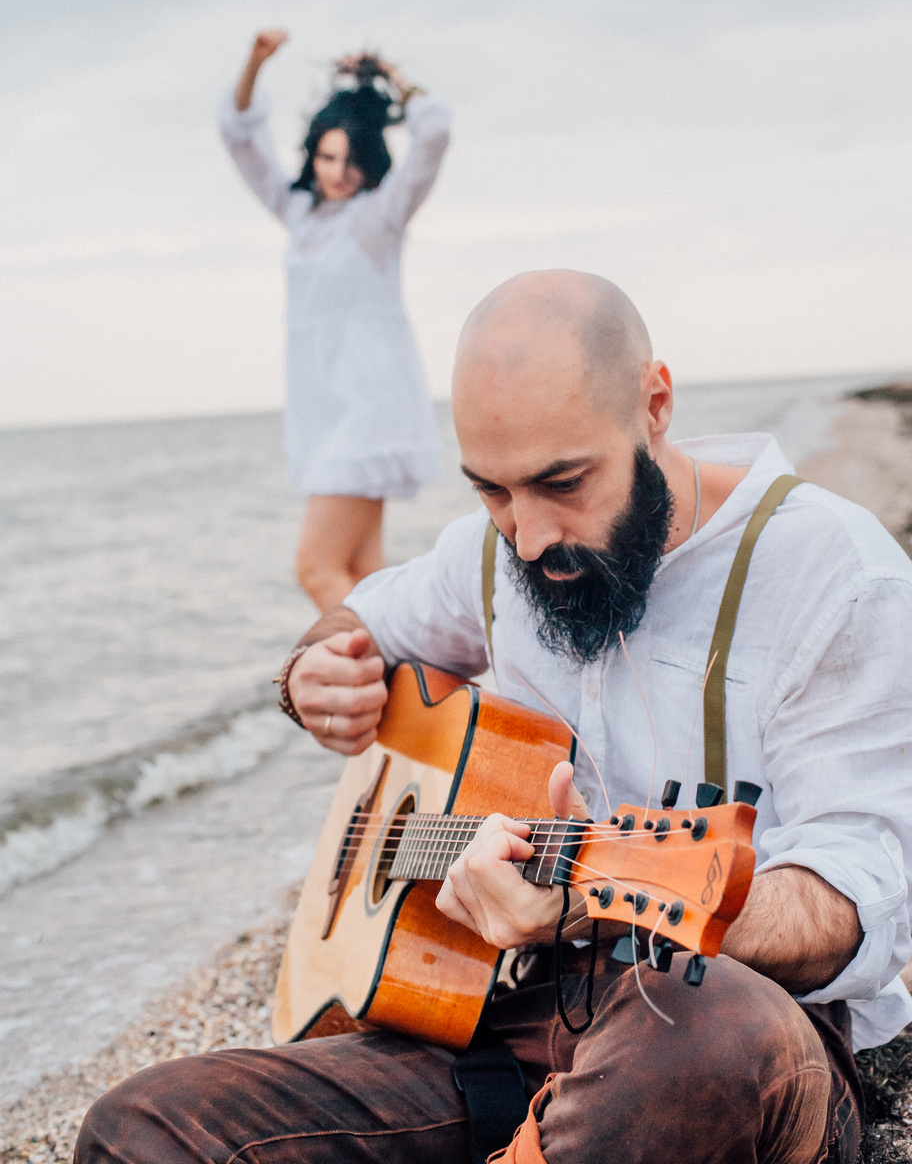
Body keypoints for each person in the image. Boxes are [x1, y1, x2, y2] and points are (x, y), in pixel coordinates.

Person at [75, 271, 912, 1163]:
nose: (529, 536)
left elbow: (853, 900)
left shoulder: (831, 573)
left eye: (563, 482)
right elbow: (358, 619)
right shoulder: (495, 551)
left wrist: (599, 896)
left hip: (718, 1036)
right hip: (494, 1015)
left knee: (708, 1031)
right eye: (492, 491)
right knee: (143, 1128)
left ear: (654, 404)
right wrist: (312, 674)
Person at [220, 30, 450, 611]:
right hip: (322, 413)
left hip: (369, 409)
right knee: (361, 569)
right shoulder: (297, 213)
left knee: (317, 568)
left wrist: (391, 70)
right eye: (327, 157)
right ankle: (410, 684)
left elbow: (435, 133)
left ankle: (388, 688)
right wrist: (255, 62)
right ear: (311, 154)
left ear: (372, 162)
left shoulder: (380, 218)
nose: (338, 171)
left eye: (353, 160)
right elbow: (239, 136)